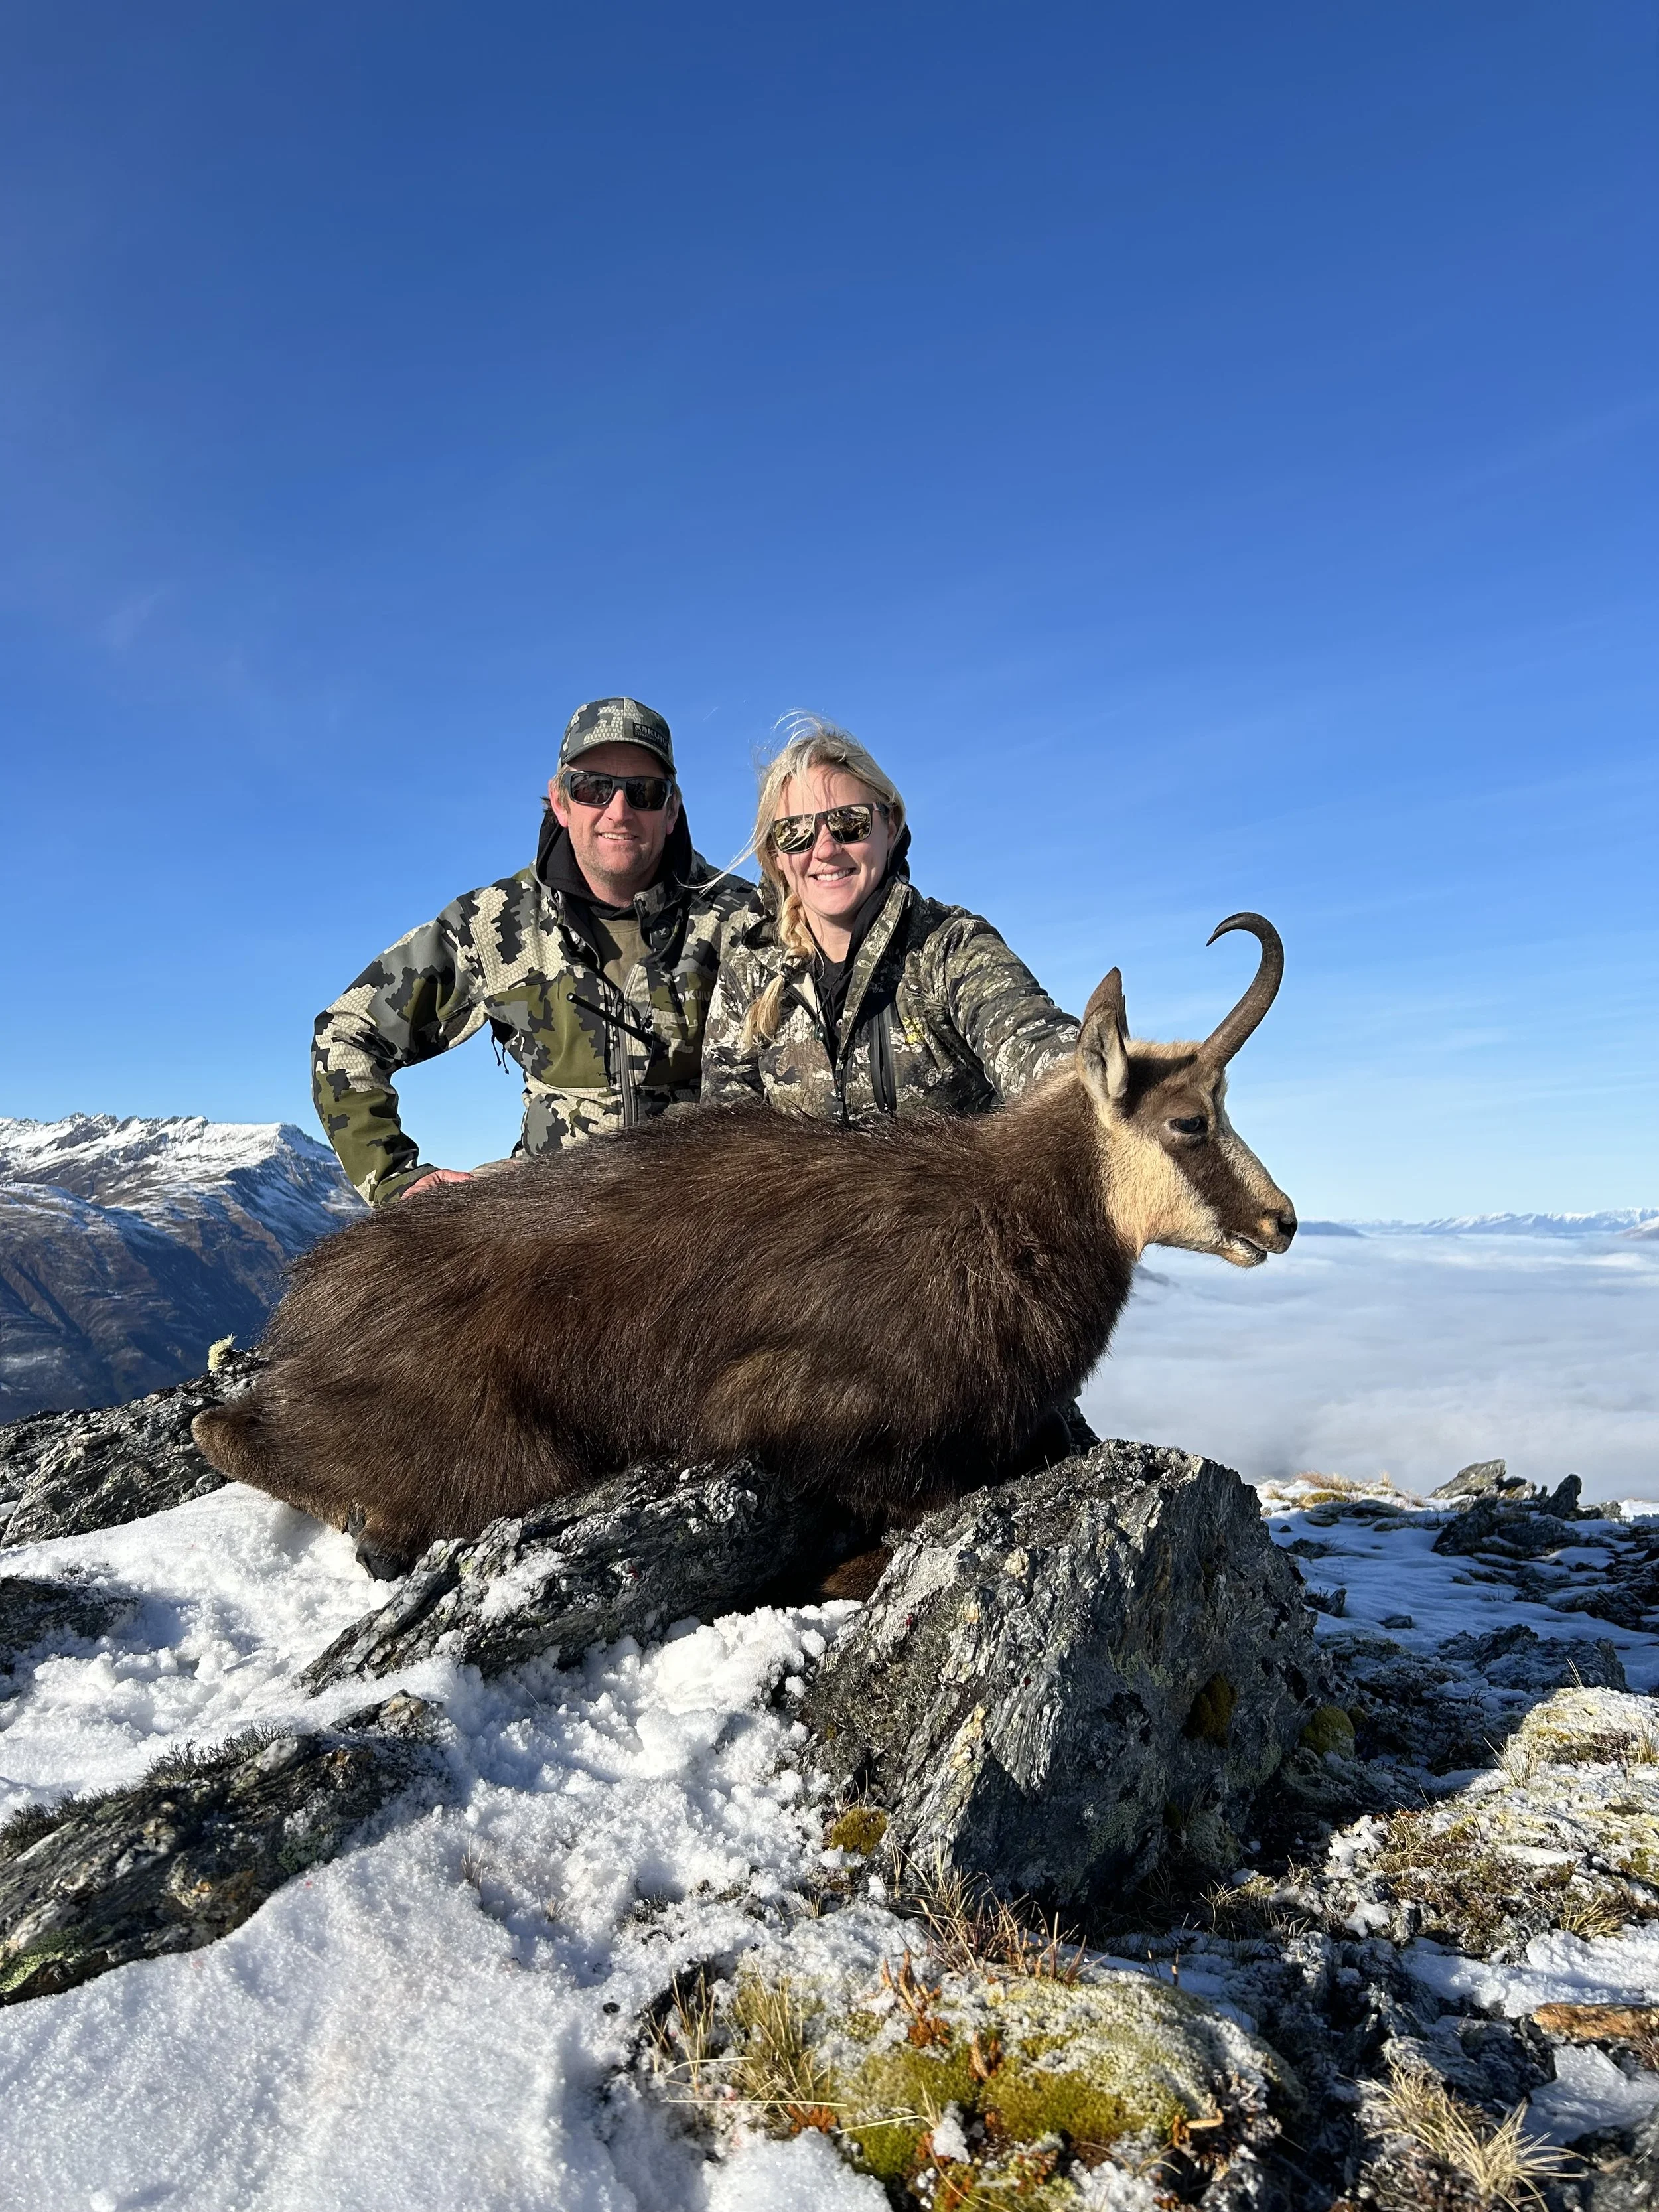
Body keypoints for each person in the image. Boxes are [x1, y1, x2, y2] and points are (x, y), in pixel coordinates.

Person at [313, 697, 749, 1205]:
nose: (619, 810)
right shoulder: (496, 922)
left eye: (644, 792)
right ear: (560, 800)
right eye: (593, 788)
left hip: (701, 1200)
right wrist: (393, 1178)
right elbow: (345, 1033)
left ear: (671, 810)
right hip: (548, 1202)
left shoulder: (741, 918)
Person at [700, 717, 1080, 1123]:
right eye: (795, 832)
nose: (825, 850)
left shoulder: (949, 948)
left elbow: (1037, 1045)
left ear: (890, 826)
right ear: (776, 854)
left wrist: (1087, 1083)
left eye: (850, 823)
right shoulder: (749, 974)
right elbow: (726, 1136)